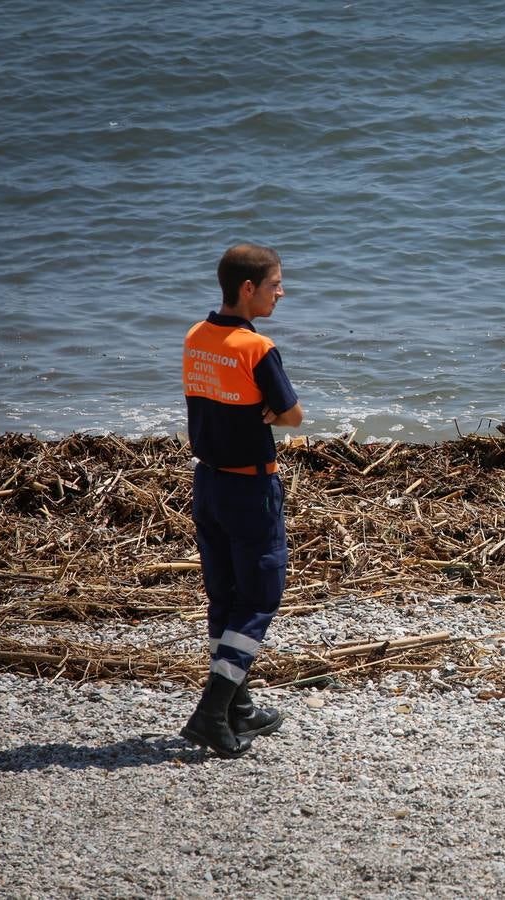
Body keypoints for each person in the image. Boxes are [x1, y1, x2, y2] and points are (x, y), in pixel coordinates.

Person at [180, 243, 303, 758]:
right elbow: (292, 413)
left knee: (225, 597)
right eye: (275, 284)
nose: (282, 292)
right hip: (250, 487)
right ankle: (213, 710)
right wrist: (273, 416)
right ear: (247, 288)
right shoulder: (256, 347)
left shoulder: (196, 337)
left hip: (207, 483)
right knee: (259, 599)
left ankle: (239, 707)